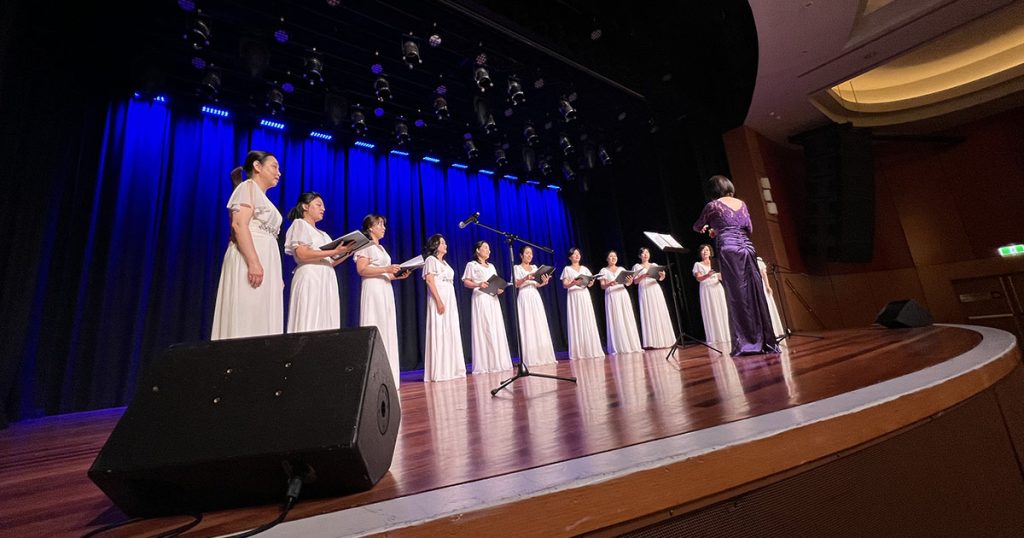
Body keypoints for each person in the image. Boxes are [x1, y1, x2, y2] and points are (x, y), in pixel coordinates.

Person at [693, 175, 779, 355]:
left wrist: (709, 229)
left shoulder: (713, 205)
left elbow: (698, 225)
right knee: (755, 293)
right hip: (748, 248)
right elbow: (749, 228)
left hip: (729, 249)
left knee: (737, 295)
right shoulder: (742, 203)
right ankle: (765, 341)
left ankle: (747, 343)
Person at [212, 150, 284, 340]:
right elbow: (238, 224)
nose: (279, 172)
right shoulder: (247, 187)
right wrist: (253, 262)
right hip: (250, 258)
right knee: (247, 311)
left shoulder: (262, 197)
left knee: (262, 314)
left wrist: (276, 276)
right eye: (274, 167)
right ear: (257, 166)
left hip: (266, 261)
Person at [354, 214, 410, 389]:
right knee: (376, 322)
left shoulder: (381, 249)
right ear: (370, 227)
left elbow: (384, 272)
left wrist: (397, 275)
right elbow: (362, 270)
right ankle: (373, 375)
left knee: (386, 326)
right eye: (380, 224)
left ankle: (388, 373)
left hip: (384, 288)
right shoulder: (365, 245)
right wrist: (387, 268)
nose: (384, 228)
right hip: (373, 289)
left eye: (384, 224)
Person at [283, 192, 351, 333]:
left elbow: (328, 261)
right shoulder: (300, 224)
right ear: (305, 206)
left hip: (326, 277)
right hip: (310, 276)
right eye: (319, 205)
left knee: (325, 319)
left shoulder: (324, 234)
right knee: (309, 316)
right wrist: (333, 252)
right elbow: (302, 254)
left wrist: (347, 252)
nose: (323, 209)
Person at [462, 240, 514, 373]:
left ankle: (498, 361)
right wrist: (478, 284)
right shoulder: (472, 265)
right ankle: (487, 363)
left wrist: (499, 289)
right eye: (485, 247)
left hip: (493, 298)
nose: (488, 250)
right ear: (478, 250)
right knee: (485, 328)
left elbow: (496, 282)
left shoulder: (491, 266)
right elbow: (466, 282)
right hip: (481, 298)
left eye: (489, 248)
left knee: (495, 327)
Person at [422, 233, 467, 381]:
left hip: (450, 299)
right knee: (440, 330)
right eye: (442, 243)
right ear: (435, 245)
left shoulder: (445, 263)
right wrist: (439, 301)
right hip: (438, 298)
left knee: (450, 329)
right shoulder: (430, 260)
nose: (445, 245)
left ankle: (452, 368)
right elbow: (429, 281)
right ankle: (440, 370)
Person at [513, 245, 557, 366]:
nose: (529, 256)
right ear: (521, 255)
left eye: (531, 254)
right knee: (527, 324)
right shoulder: (516, 267)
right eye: (527, 253)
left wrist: (544, 282)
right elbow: (516, 284)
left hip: (534, 294)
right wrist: (526, 277)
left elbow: (536, 284)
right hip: (524, 295)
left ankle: (542, 354)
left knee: (539, 322)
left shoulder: (534, 267)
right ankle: (530, 357)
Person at [560, 247, 604, 359]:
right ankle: (579, 351)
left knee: (587, 318)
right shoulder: (567, 269)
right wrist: (573, 282)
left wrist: (591, 281)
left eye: (578, 254)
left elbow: (589, 284)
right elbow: (565, 285)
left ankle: (590, 348)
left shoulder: (584, 268)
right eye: (574, 254)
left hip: (584, 294)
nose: (577, 255)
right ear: (570, 257)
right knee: (577, 319)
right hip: (574, 295)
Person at [598, 250, 643, 354]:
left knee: (626, 318)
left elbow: (628, 283)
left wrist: (629, 280)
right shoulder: (603, 270)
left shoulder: (621, 269)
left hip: (622, 294)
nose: (613, 258)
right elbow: (602, 286)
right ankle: (619, 346)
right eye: (610, 256)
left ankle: (631, 344)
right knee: (616, 319)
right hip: (612, 295)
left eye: (615, 256)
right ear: (607, 259)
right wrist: (609, 284)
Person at [631, 247, 675, 349]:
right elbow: (635, 281)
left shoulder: (654, 265)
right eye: (643, 253)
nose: (645, 254)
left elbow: (660, 278)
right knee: (648, 313)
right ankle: (652, 342)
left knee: (659, 312)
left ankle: (665, 340)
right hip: (644, 289)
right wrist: (644, 275)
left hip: (655, 289)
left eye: (647, 252)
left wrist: (662, 275)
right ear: (639, 256)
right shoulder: (637, 266)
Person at [692, 244, 731, 345]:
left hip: (717, 287)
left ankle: (726, 335)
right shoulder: (698, 264)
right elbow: (698, 278)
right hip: (706, 289)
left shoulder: (715, 262)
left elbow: (720, 276)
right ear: (700, 253)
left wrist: (722, 275)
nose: (705, 252)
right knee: (711, 310)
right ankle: (715, 337)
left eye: (707, 250)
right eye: (703, 250)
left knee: (722, 310)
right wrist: (707, 275)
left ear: (710, 252)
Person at [757, 257, 785, 339]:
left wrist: (767, 286)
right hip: (753, 286)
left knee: (767, 306)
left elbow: (763, 274)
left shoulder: (758, 260)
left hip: (761, 286)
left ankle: (773, 330)